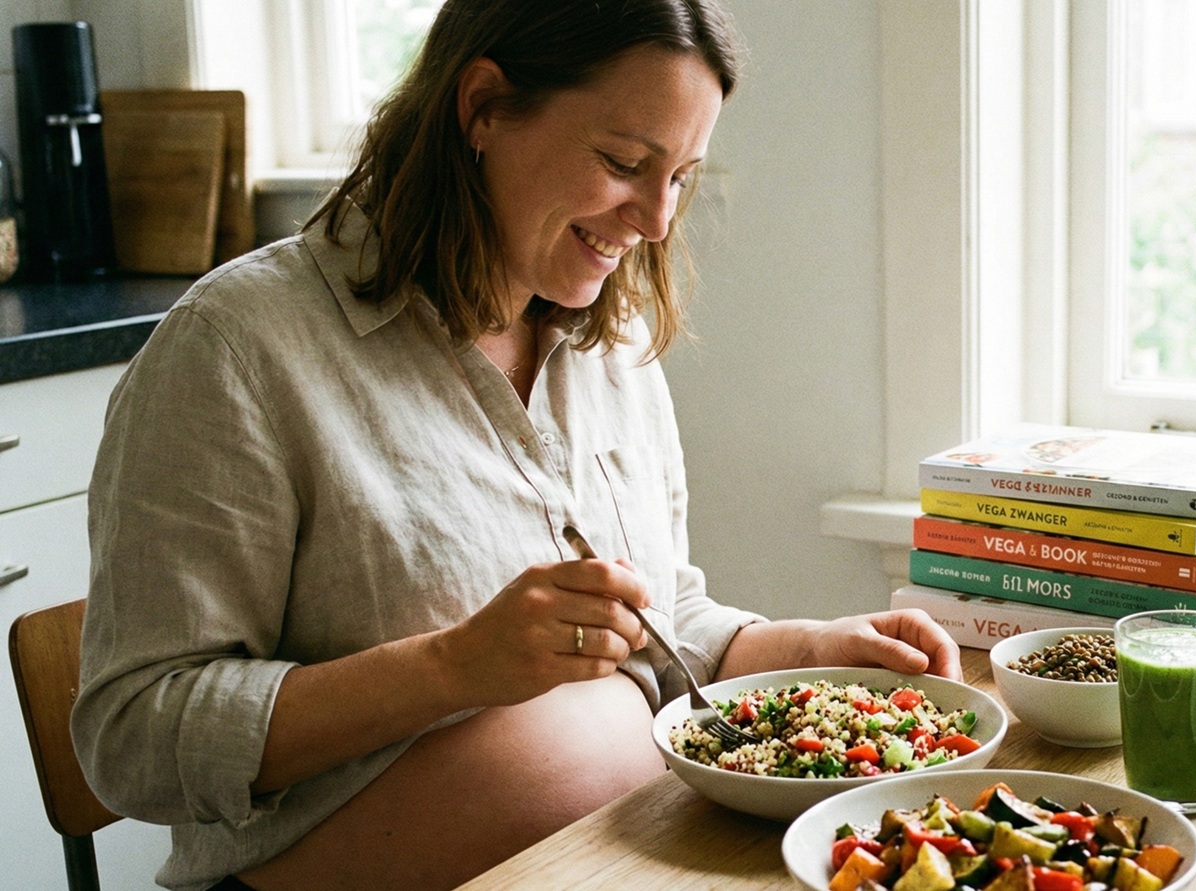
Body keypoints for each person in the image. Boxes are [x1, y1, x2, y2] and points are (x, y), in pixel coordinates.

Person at [70, 2, 960, 890]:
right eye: (624, 163)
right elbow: (132, 736)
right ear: (485, 107)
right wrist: (452, 666)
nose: (657, 220)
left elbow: (661, 623)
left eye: (682, 177)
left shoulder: (611, 343)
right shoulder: (236, 348)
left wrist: (812, 648)